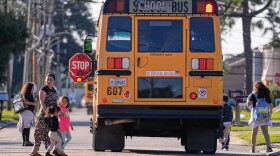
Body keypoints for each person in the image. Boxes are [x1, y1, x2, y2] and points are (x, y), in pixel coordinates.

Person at [30, 73, 59, 156]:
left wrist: (57, 112)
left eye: (51, 79)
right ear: (45, 80)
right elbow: (42, 102)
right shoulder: (43, 89)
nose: (48, 81)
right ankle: (35, 151)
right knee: (39, 132)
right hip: (44, 115)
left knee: (49, 133)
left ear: (54, 81)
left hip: (52, 115)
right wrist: (47, 112)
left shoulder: (54, 90)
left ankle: (49, 151)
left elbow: (55, 102)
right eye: (47, 79)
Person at [246, 81, 273, 153]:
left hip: (256, 117)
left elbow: (248, 105)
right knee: (266, 133)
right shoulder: (266, 94)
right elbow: (270, 105)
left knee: (254, 133)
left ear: (256, 87)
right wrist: (270, 115)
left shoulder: (253, 94)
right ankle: (269, 147)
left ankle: (253, 149)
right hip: (264, 116)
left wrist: (248, 99)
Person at [17, 82, 38, 146]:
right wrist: (33, 103)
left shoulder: (24, 93)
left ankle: (25, 141)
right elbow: (25, 101)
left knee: (24, 126)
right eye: (32, 88)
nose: (33, 89)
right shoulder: (27, 94)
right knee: (27, 127)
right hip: (27, 111)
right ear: (29, 88)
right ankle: (27, 141)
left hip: (25, 112)